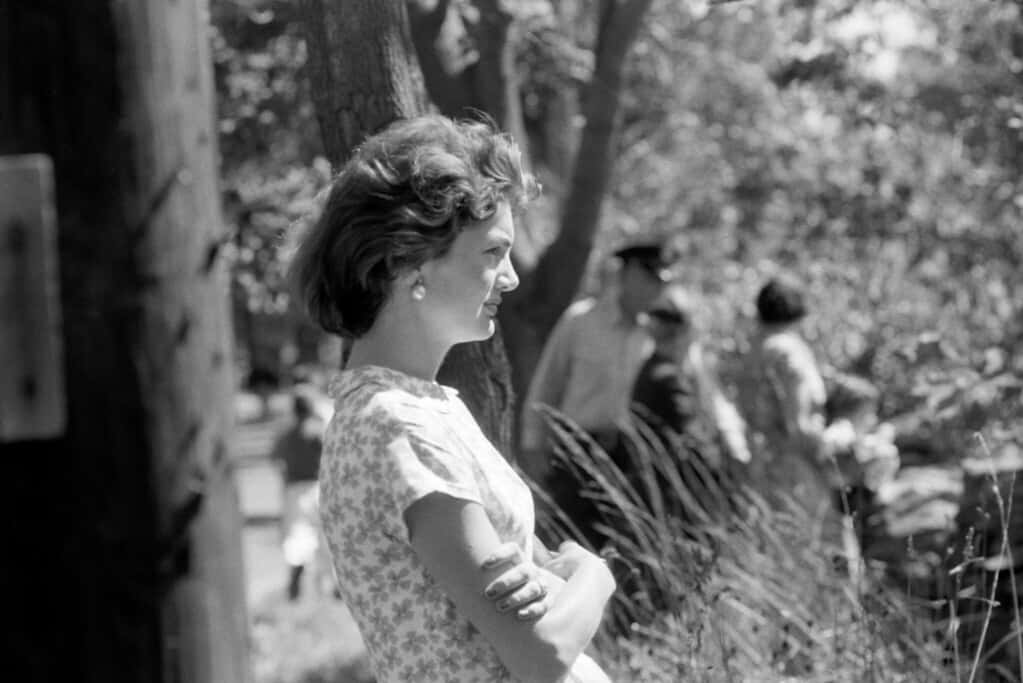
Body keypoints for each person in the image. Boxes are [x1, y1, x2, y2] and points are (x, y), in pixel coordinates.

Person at [289, 115, 615, 683]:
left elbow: (540, 590)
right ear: (406, 259)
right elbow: (541, 653)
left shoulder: (420, 409)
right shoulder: (396, 425)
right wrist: (597, 575)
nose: (510, 278)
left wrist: (561, 584)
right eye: (493, 252)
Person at [519, 240, 675, 545]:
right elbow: (547, 383)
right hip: (578, 454)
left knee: (628, 554)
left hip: (634, 461)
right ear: (627, 274)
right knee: (570, 544)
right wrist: (534, 445)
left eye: (662, 283)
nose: (657, 291)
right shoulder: (581, 322)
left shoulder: (660, 333)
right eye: (650, 279)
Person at [269, 385, 327, 600]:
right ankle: (329, 586)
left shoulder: (286, 432)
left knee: (299, 538)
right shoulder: (316, 430)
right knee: (323, 539)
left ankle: (297, 582)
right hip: (316, 487)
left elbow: (274, 458)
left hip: (295, 490)